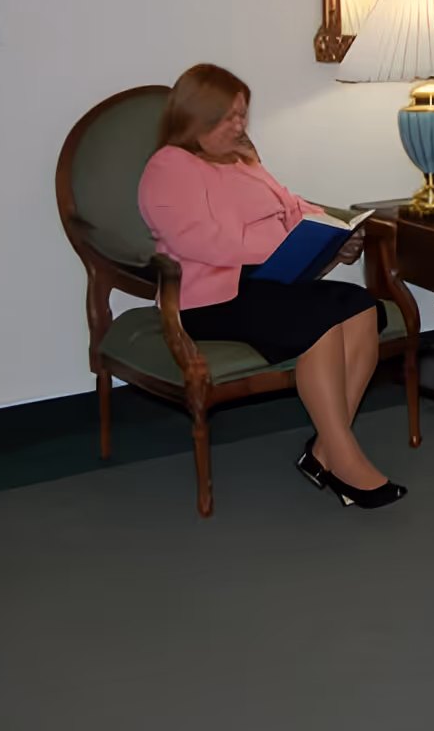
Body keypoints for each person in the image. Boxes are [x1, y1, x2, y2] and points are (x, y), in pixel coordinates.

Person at [138, 63, 406, 509]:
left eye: (243, 114)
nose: (240, 126)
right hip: (209, 297)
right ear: (196, 118)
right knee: (318, 320)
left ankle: (323, 451)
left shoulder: (242, 159)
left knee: (359, 305)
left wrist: (332, 232)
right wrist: (289, 240)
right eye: (229, 117)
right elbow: (207, 241)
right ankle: (344, 460)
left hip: (266, 281)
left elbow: (290, 204)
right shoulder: (167, 167)